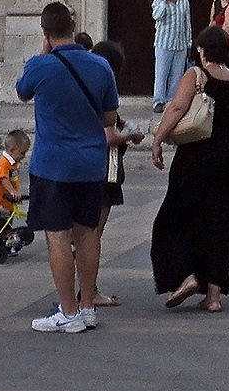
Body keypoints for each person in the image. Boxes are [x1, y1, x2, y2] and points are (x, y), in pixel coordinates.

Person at [16, 2, 120, 334]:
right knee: (88, 233)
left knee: (57, 237)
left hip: (53, 164)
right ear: (73, 26)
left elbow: (21, 92)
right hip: (91, 162)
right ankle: (87, 305)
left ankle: (68, 310)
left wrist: (44, 52)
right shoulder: (100, 65)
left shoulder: (40, 65)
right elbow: (109, 118)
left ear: (45, 32)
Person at [150, 25, 229, 313]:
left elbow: (176, 108)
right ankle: (213, 297)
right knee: (222, 225)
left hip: (197, 156)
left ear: (202, 50)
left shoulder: (196, 74)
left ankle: (185, 277)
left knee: (175, 217)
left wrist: (158, 140)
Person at [88, 40, 144, 308]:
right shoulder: (103, 92)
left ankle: (86, 289)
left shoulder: (85, 88)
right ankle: (90, 291)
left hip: (84, 165)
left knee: (84, 232)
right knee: (93, 234)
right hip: (104, 170)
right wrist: (131, 135)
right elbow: (110, 137)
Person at [151, 0, 192, 113]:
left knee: (177, 74)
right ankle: (158, 101)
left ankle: (171, 100)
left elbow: (187, 23)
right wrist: (164, 1)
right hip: (164, 44)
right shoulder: (158, 1)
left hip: (180, 45)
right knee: (161, 73)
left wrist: (189, 43)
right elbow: (156, 16)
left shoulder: (184, 1)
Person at [0, 130, 31, 223]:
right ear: (12, 150)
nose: (24, 156)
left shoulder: (14, 163)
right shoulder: (4, 163)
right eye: (22, 153)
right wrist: (13, 192)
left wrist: (16, 195)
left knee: (6, 225)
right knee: (0, 226)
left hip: (7, 203)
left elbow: (14, 180)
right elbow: (3, 178)